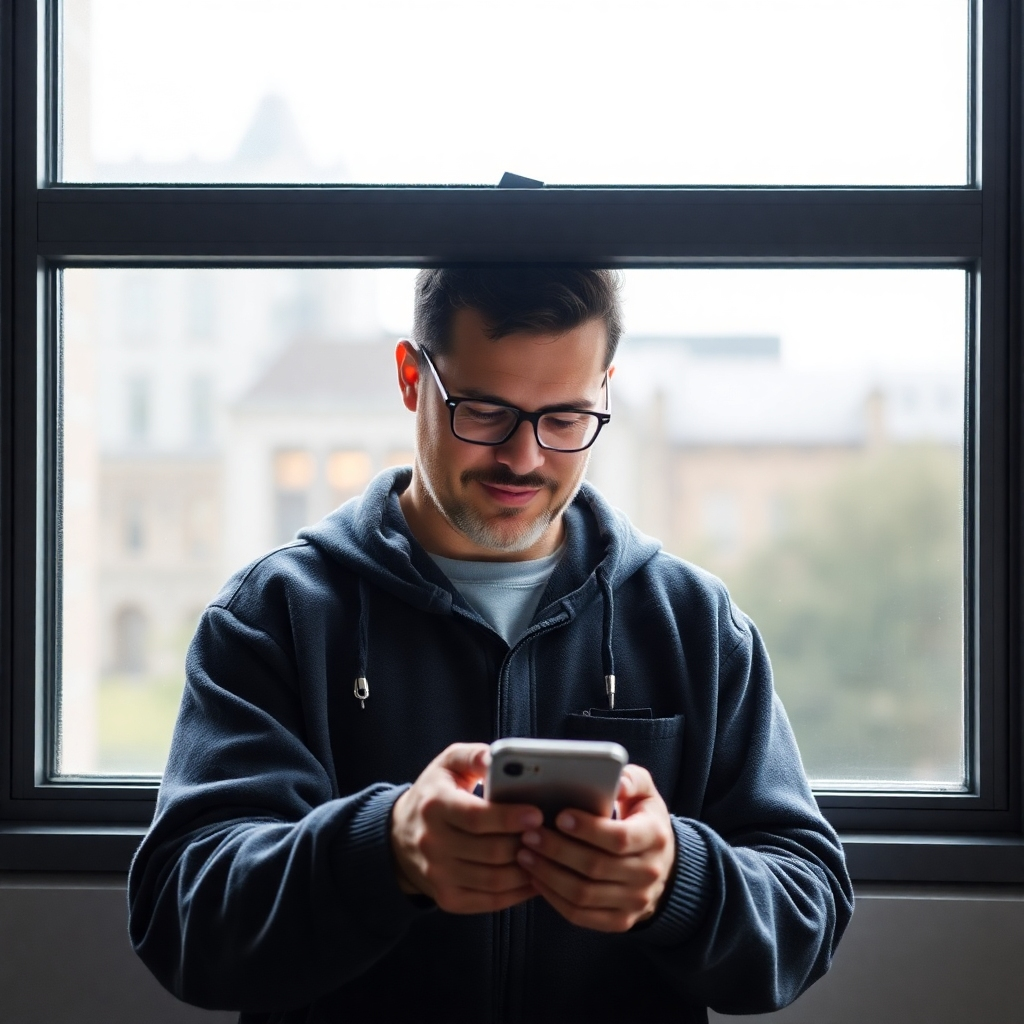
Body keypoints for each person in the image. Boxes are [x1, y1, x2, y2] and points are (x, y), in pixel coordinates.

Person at [128, 267, 853, 1024]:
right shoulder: (274, 615)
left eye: (565, 418)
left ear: (605, 390)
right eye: (485, 412)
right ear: (412, 378)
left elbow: (807, 907)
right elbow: (182, 916)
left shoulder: (692, 622)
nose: (524, 458)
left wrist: (680, 881)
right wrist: (384, 854)